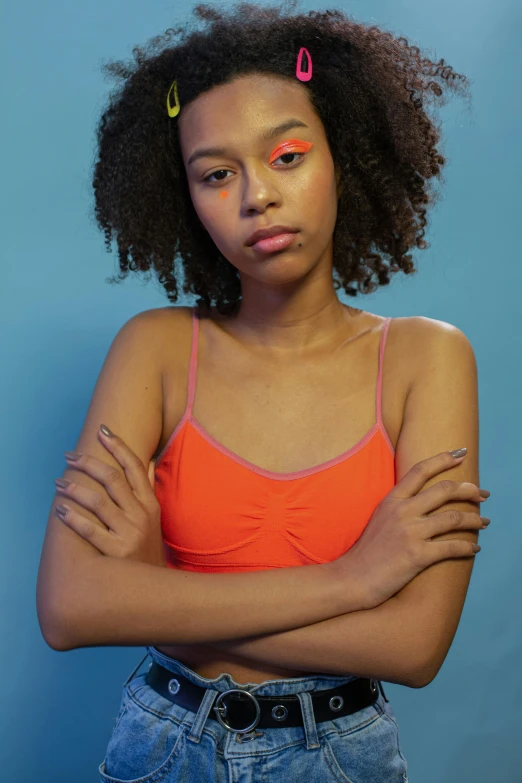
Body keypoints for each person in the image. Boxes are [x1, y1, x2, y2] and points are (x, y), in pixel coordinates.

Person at [37, 2, 488, 781]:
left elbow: (413, 648)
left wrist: (161, 599)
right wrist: (352, 580)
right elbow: (72, 608)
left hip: (340, 751)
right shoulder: (154, 348)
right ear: (187, 197)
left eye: (286, 156)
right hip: (162, 742)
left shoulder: (427, 357)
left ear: (342, 155)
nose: (257, 197)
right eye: (217, 173)